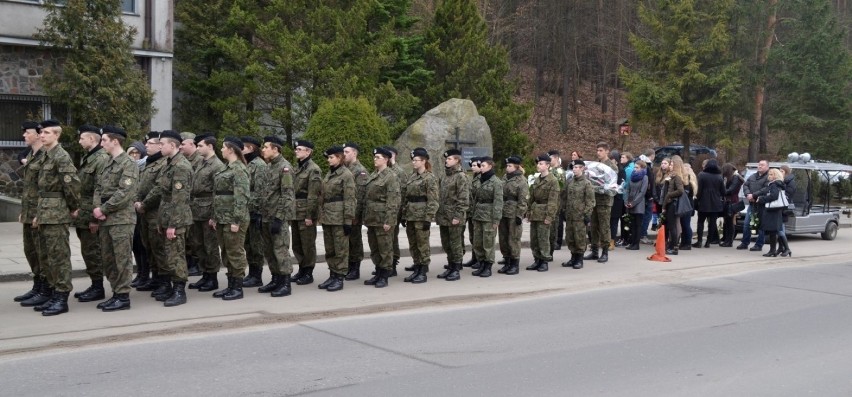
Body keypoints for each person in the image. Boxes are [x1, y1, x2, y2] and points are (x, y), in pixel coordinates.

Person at [138, 130, 193, 307]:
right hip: (165, 215)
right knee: (168, 254)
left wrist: (173, 225)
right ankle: (170, 286)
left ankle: (179, 290)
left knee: (175, 255)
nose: (160, 146)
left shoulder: (181, 166)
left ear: (173, 145)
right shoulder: (169, 164)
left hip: (175, 219)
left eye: (162, 144)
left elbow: (180, 199)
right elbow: (160, 190)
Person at [34, 119, 81, 316]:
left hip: (57, 212)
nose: (42, 135)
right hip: (45, 210)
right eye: (41, 132)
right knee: (47, 257)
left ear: (56, 135)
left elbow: (71, 185)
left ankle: (62, 297)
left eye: (46, 132)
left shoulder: (61, 156)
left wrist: (73, 207)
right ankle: (53, 292)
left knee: (59, 256)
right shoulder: (45, 155)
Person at [92, 125, 138, 311]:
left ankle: (123, 296)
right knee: (108, 258)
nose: (101, 143)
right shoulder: (106, 163)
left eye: (104, 140)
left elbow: (125, 192)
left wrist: (103, 209)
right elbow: (98, 187)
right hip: (105, 218)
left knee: (122, 259)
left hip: (121, 219)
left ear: (115, 141)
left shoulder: (128, 164)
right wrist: (96, 207)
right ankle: (115, 292)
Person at [210, 137, 251, 300]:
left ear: (231, 150)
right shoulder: (227, 168)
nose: (221, 150)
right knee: (226, 253)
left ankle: (237, 287)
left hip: (233, 218)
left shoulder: (239, 169)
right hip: (222, 217)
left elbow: (241, 198)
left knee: (235, 252)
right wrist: (214, 217)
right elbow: (218, 196)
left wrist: (237, 221)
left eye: (223, 147)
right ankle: (230, 285)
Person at [73, 125, 110, 304]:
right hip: (84, 211)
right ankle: (94, 284)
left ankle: (98, 287)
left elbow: (99, 189)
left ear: (92, 139)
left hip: (91, 214)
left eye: (82, 138)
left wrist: (95, 218)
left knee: (93, 251)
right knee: (87, 251)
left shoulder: (101, 158)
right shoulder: (90, 157)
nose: (79, 141)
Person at [257, 136, 295, 297]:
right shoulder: (269, 167)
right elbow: (265, 193)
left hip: (277, 217)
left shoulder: (284, 168)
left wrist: (279, 218)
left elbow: (287, 195)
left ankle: (285, 283)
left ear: (275, 149)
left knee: (280, 250)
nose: (263, 149)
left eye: (266, 147)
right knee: (269, 251)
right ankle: (275, 279)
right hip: (266, 216)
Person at [16, 121, 50, 307]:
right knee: (31, 251)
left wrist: (39, 213)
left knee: (41, 252)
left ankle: (46, 289)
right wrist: (24, 211)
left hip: (40, 212)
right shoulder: (30, 155)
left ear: (38, 134)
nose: (24, 136)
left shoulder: (45, 156)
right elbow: (29, 188)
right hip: (29, 212)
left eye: (27, 132)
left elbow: (46, 189)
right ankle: (37, 286)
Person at [188, 134, 225, 292]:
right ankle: (205, 274)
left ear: (210, 146)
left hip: (208, 208)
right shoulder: (201, 163)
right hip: (197, 209)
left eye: (200, 145)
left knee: (210, 246)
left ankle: (213, 277)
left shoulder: (216, 165)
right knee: (199, 245)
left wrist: (214, 215)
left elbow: (218, 193)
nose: (198, 149)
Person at [318, 145, 356, 291]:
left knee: (340, 249)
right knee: (330, 249)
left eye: (331, 157)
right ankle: (332, 274)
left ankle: (339, 277)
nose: (328, 160)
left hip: (339, 218)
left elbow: (350, 199)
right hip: (328, 217)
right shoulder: (329, 174)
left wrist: (348, 220)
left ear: (339, 158)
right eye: (328, 157)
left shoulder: (346, 175)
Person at [361, 147, 400, 288]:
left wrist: (389, 220)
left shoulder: (391, 176)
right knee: (375, 248)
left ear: (386, 159)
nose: (375, 159)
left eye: (378, 157)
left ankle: (384, 275)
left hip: (383, 219)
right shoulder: (373, 175)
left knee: (385, 249)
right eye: (374, 157)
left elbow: (393, 200)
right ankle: (378, 272)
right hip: (372, 219)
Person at [133, 132, 167, 293]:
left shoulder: (163, 163)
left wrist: (144, 204)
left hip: (155, 211)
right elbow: (141, 185)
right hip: (144, 212)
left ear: (160, 145)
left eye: (150, 143)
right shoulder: (149, 163)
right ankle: (155, 278)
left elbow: (159, 188)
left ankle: (164, 281)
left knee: (159, 247)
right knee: (149, 247)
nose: (146, 146)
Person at [401, 147, 439, 283]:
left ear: (424, 161)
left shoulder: (429, 178)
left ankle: (423, 270)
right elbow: (407, 197)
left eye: (416, 160)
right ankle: (417, 267)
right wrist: (404, 215)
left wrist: (428, 218)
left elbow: (433, 200)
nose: (413, 162)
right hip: (411, 216)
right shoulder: (412, 176)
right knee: (413, 244)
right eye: (413, 160)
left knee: (422, 244)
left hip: (422, 216)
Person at [289, 139, 322, 285]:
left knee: (307, 244)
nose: (296, 151)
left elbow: (313, 195)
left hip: (305, 212)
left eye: (299, 149)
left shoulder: (313, 169)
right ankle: (302, 269)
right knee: (297, 243)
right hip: (296, 211)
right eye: (296, 149)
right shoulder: (299, 168)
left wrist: (310, 215)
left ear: (308, 151)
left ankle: (308, 272)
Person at [436, 149, 470, 281]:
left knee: (455, 244)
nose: (447, 161)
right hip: (444, 215)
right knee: (446, 243)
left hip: (454, 216)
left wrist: (457, 216)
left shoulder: (461, 176)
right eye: (446, 159)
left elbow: (463, 199)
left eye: (449, 159)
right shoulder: (445, 176)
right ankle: (450, 266)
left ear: (457, 160)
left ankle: (456, 268)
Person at [240, 136, 268, 287]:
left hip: (255, 211)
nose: (240, 150)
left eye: (243, 147)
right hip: (246, 211)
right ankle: (252, 273)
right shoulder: (246, 163)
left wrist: (255, 210)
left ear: (251, 148)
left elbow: (260, 191)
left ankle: (257, 275)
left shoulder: (259, 165)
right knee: (248, 244)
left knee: (256, 245)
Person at [584, 142, 618, 263]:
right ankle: (594, 251)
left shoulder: (612, 166)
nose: (598, 153)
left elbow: (611, 185)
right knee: (593, 226)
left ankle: (605, 252)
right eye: (597, 150)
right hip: (594, 200)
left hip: (605, 200)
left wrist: (597, 187)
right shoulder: (596, 165)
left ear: (607, 151)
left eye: (601, 150)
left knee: (604, 227)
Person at [470, 157, 503, 278]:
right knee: (477, 242)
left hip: (489, 216)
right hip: (478, 214)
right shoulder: (478, 179)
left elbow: (498, 202)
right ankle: (481, 263)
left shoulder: (496, 182)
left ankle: (488, 266)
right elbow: (474, 199)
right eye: (480, 166)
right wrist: (473, 215)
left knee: (488, 242)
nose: (481, 167)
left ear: (490, 166)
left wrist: (496, 219)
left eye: (483, 165)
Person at [526, 154, 560, 271]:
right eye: (538, 163)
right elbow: (532, 198)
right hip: (535, 213)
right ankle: (537, 260)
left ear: (547, 166)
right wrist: (529, 212)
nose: (538, 165)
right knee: (534, 239)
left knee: (543, 239)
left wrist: (549, 216)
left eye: (541, 164)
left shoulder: (552, 181)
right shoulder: (537, 179)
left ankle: (544, 261)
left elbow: (553, 201)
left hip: (544, 212)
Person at [561, 159, 595, 269]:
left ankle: (579, 259)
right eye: (573, 167)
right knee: (570, 237)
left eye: (576, 167)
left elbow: (590, 201)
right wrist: (564, 209)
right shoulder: (570, 182)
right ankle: (573, 257)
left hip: (580, 216)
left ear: (582, 169)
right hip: (570, 215)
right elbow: (564, 197)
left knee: (579, 238)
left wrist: (587, 215)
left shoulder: (587, 183)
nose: (574, 169)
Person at [342, 142, 369, 280]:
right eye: (343, 152)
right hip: (344, 212)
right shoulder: (343, 168)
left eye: (347, 152)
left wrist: (355, 215)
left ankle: (355, 268)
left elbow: (361, 195)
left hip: (353, 213)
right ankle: (347, 265)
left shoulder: (360, 170)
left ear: (354, 153)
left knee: (355, 240)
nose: (344, 154)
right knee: (346, 240)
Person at [498, 156, 528, 275]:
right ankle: (507, 261)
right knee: (503, 238)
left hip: (513, 212)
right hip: (503, 211)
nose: (507, 168)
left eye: (510, 166)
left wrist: (520, 215)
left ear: (516, 167)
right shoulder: (505, 178)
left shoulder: (521, 180)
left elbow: (523, 200)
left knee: (514, 239)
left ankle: (515, 264)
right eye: (507, 166)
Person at [180, 132, 203, 276]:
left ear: (192, 144)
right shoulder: (185, 159)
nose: (181, 147)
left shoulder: (199, 160)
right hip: (188, 203)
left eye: (183, 144)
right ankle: (191, 262)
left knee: (195, 237)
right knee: (189, 236)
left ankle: (197, 263)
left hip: (197, 203)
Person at [754, 169, 790, 257]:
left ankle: (774, 250)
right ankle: (776, 250)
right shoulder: (778, 184)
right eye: (769, 174)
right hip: (776, 210)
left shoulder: (774, 184)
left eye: (771, 174)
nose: (769, 176)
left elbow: (774, 196)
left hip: (772, 209)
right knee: (774, 231)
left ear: (775, 176)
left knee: (773, 231)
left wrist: (761, 199)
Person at [385, 146, 408, 276]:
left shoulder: (398, 171)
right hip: (385, 211)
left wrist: (402, 213)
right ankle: (385, 264)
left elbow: (403, 193)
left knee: (392, 238)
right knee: (386, 239)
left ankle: (393, 264)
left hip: (395, 210)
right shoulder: (384, 170)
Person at [738, 160, 769, 251]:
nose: (760, 166)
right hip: (752, 204)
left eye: (762, 165)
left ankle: (759, 244)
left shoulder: (768, 177)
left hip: (762, 205)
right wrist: (748, 194)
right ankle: (745, 242)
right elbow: (745, 185)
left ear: (767, 167)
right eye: (759, 165)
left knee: (760, 226)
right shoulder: (753, 176)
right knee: (747, 224)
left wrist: (754, 195)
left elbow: (766, 189)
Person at [693, 159, 725, 248]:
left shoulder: (702, 175)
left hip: (703, 202)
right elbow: (723, 191)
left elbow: (699, 190)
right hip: (715, 203)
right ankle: (708, 242)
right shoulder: (719, 177)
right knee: (712, 223)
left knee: (700, 222)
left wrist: (697, 199)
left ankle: (699, 241)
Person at [659, 156, 685, 255]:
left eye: (672, 165)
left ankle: (674, 247)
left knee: (672, 226)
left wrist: (669, 195)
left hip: (672, 204)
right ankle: (670, 245)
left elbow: (680, 190)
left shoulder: (677, 177)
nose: (670, 166)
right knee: (669, 227)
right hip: (668, 204)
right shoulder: (670, 176)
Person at [624, 160, 648, 251]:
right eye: (634, 167)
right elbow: (627, 189)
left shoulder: (645, 177)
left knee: (637, 224)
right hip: (630, 202)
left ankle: (636, 244)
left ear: (642, 168)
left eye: (637, 167)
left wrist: (633, 202)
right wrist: (626, 201)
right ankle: (632, 242)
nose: (635, 169)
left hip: (638, 203)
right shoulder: (632, 176)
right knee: (632, 224)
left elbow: (642, 192)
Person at [462, 157, 482, 269]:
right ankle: (474, 258)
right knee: (472, 236)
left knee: (478, 237)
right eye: (472, 165)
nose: (472, 167)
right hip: (471, 212)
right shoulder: (474, 178)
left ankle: (480, 259)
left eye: (475, 165)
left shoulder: (482, 178)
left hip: (478, 211)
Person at [720, 163, 744, 247]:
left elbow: (731, 190)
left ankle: (729, 241)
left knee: (730, 222)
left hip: (732, 201)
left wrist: (721, 191)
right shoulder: (733, 177)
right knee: (727, 221)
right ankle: (727, 239)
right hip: (729, 200)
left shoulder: (736, 178)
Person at [548, 150, 565, 254]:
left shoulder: (559, 172)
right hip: (548, 202)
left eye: (550, 158)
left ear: (555, 158)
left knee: (556, 223)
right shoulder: (549, 170)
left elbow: (562, 188)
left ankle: (556, 242)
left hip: (556, 201)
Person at [678, 163, 698, 250]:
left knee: (685, 225)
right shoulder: (692, 180)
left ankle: (687, 243)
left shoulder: (688, 182)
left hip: (687, 205)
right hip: (689, 204)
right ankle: (684, 242)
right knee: (685, 224)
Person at [639, 149, 656, 244]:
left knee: (642, 215)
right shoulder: (647, 166)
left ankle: (640, 234)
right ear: (652, 155)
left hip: (641, 194)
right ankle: (643, 235)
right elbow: (649, 182)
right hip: (647, 195)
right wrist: (650, 195)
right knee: (647, 215)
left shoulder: (639, 163)